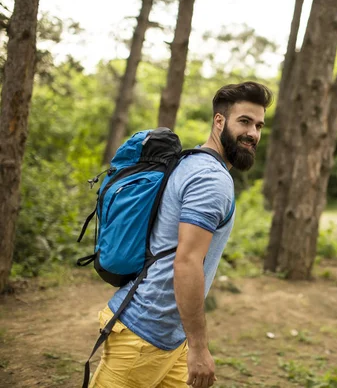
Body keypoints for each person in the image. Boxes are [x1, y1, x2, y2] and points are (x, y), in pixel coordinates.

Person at [90, 81, 273, 388]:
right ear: (219, 121)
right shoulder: (211, 179)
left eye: (258, 125)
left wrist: (189, 342)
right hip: (144, 336)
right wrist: (200, 348)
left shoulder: (192, 162)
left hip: (168, 338)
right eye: (244, 121)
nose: (253, 134)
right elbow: (186, 262)